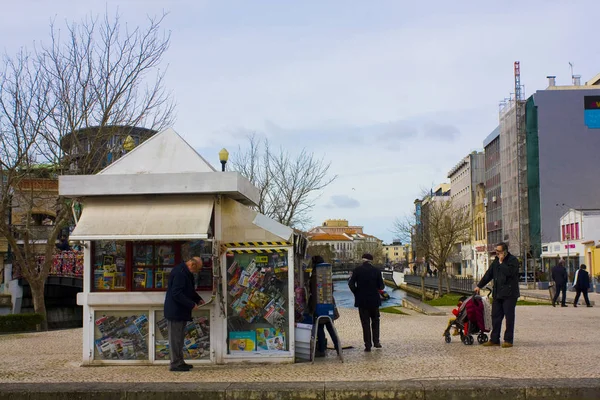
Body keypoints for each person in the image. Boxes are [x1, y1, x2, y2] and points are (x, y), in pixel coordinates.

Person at [475, 242, 520, 348]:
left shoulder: (512, 261)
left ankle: (508, 340)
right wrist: (479, 285)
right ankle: (494, 339)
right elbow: (488, 274)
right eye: (496, 251)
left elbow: (510, 273)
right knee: (495, 317)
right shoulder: (496, 261)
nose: (497, 253)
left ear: (505, 251)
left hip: (509, 295)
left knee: (509, 318)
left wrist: (502, 262)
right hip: (498, 294)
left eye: (499, 251)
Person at [163, 256, 204, 372]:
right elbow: (177, 293)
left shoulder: (186, 272)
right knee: (175, 338)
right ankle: (175, 363)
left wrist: (198, 299)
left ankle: (180, 361)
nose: (197, 272)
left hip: (180, 311)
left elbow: (189, 290)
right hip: (175, 311)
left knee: (179, 338)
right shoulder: (180, 273)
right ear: (192, 265)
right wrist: (191, 304)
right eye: (197, 269)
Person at [348, 253, 385, 352]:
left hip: (362, 301)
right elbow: (381, 286)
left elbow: (351, 283)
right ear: (371, 260)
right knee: (375, 321)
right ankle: (376, 342)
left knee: (365, 323)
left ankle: (367, 345)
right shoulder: (376, 271)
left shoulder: (357, 270)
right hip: (374, 300)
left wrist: (356, 292)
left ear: (363, 260)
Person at [308, 255, 340, 357]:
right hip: (329, 304)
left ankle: (321, 349)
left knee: (320, 328)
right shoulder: (327, 274)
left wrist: (312, 308)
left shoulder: (314, 276)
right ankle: (338, 347)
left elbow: (313, 292)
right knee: (331, 327)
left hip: (318, 305)